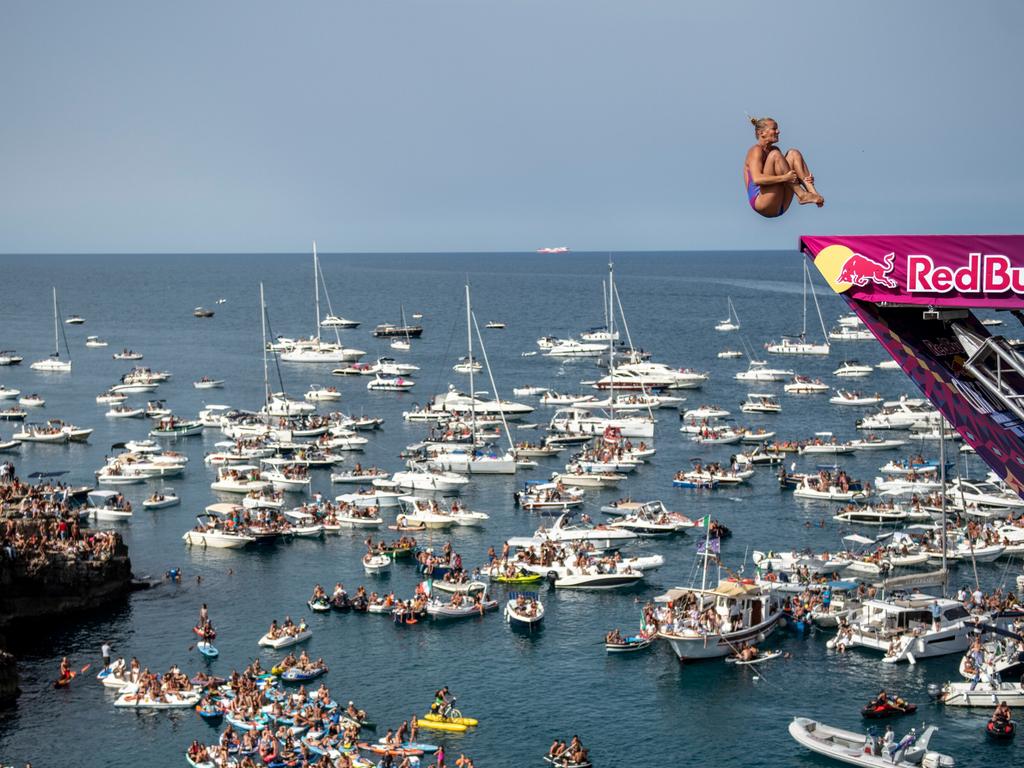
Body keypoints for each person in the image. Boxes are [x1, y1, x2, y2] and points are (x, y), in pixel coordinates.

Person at [743, 116, 823, 218]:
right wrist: (785, 178)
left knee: (794, 153)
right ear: (761, 133)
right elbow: (757, 179)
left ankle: (813, 194)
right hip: (762, 202)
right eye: (774, 129)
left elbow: (786, 176)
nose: (778, 131)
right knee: (775, 154)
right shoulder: (755, 150)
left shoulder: (774, 149)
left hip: (780, 205)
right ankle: (802, 194)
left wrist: (802, 179)